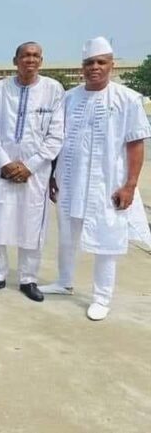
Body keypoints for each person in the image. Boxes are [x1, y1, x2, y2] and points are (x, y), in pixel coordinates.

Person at [41, 37, 151, 321]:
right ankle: (64, 282)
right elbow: (58, 138)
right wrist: (54, 174)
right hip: (71, 179)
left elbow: (135, 144)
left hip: (108, 184)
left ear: (111, 66)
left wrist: (129, 185)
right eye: (89, 63)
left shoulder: (127, 99)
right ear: (82, 67)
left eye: (101, 62)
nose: (95, 67)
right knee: (67, 234)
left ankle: (102, 297)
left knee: (106, 239)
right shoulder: (69, 97)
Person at [0, 42, 64, 302]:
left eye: (35, 56)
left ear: (41, 60)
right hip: (2, 170)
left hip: (35, 173)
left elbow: (56, 136)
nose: (30, 60)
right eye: (25, 56)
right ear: (15, 60)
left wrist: (30, 166)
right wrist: (5, 162)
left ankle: (28, 279)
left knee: (32, 226)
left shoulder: (53, 90)